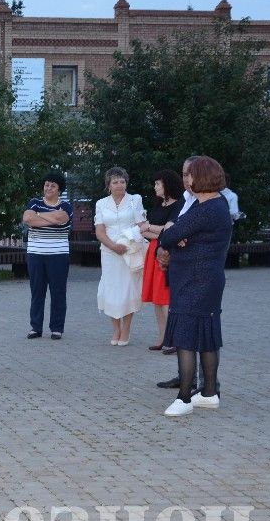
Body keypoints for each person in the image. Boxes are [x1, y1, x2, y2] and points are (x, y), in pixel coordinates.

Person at [159, 156, 233, 416]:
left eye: (189, 174)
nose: (186, 179)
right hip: (206, 279)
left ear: (200, 177)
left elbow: (169, 235)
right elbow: (178, 235)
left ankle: (184, 398)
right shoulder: (217, 204)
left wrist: (177, 235)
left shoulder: (206, 208)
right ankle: (209, 393)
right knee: (207, 335)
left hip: (195, 280)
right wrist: (179, 236)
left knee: (186, 337)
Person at [94, 167, 146, 346]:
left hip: (129, 252)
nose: (119, 185)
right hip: (109, 253)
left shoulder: (135, 200)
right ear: (108, 185)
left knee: (128, 288)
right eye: (115, 182)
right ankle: (115, 328)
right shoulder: (101, 203)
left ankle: (126, 328)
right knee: (111, 289)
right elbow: (99, 230)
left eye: (122, 181)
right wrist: (112, 246)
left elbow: (141, 224)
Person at [23, 170, 74, 340]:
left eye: (53, 185)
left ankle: (57, 328)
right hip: (36, 254)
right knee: (37, 291)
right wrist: (49, 218)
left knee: (58, 292)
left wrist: (39, 216)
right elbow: (28, 219)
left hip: (58, 255)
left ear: (59, 189)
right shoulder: (34, 202)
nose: (49, 188)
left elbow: (62, 218)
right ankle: (35, 327)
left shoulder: (65, 205)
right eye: (46, 184)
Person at [140, 169, 185, 351]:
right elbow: (145, 232)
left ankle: (173, 338)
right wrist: (155, 229)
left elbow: (169, 231)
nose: (155, 187)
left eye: (158, 183)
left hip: (166, 252)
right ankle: (162, 336)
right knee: (157, 299)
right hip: (153, 250)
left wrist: (150, 227)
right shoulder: (159, 205)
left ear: (167, 185)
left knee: (165, 297)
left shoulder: (179, 205)